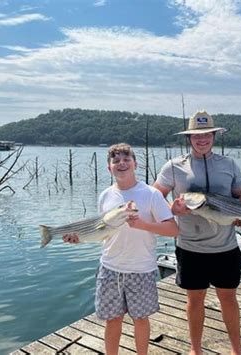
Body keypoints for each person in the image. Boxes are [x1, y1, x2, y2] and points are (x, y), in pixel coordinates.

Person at [63, 143, 179, 355]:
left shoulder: (151, 194)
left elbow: (173, 229)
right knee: (112, 319)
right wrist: (79, 239)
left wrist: (143, 225)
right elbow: (103, 234)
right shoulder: (105, 195)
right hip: (110, 268)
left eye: (126, 160)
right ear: (109, 168)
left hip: (141, 270)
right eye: (116, 161)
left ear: (135, 163)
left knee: (141, 319)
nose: (121, 164)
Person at [153, 110, 241, 355]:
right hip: (190, 247)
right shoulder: (174, 166)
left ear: (214, 135)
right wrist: (170, 209)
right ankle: (196, 350)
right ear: (189, 138)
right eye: (196, 135)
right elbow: (154, 196)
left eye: (206, 134)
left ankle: (237, 350)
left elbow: (240, 197)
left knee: (229, 299)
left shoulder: (229, 164)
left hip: (226, 247)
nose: (201, 139)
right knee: (195, 301)